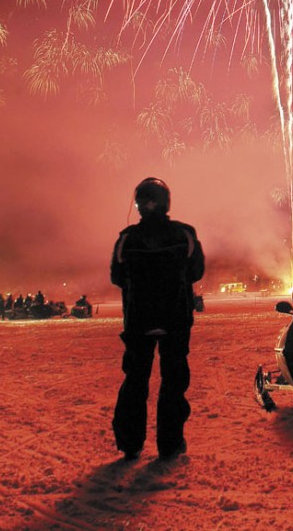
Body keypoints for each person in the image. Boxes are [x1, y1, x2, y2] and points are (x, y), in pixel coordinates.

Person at [111, 176, 205, 460]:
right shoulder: (185, 233)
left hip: (138, 322)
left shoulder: (127, 238)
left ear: (139, 205)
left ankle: (130, 442)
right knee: (174, 382)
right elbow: (196, 272)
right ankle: (170, 443)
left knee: (135, 381)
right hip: (175, 320)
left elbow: (116, 277)